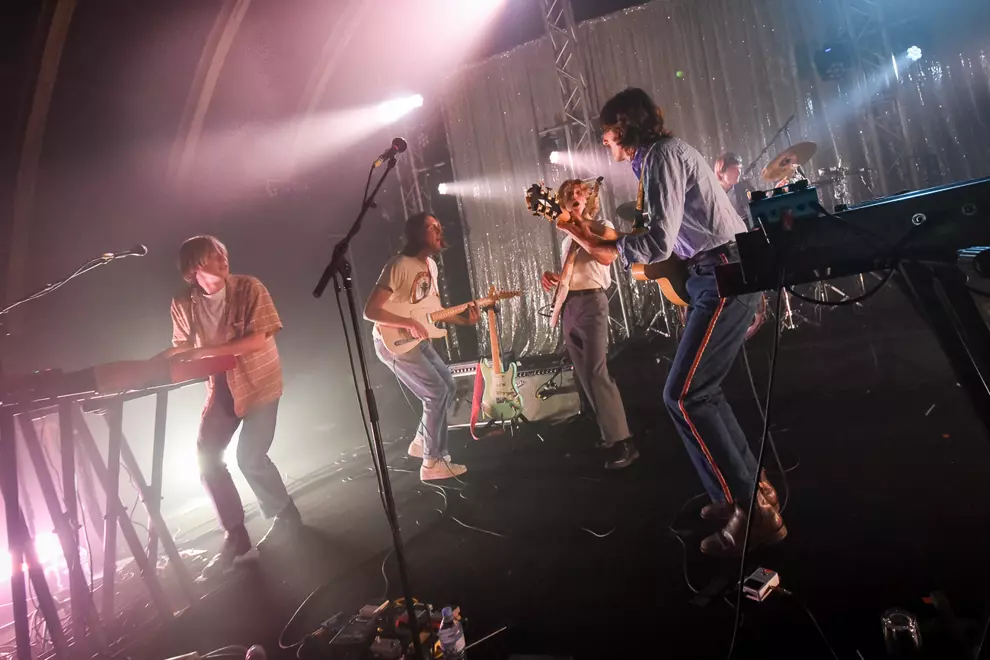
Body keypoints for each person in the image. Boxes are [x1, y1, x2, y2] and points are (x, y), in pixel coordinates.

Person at [557, 88, 785, 556]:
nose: (603, 142)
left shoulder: (661, 155)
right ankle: (743, 494)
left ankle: (754, 513)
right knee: (698, 393)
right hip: (715, 274)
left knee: (685, 393)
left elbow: (657, 243)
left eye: (606, 132)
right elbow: (667, 241)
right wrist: (589, 234)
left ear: (622, 127)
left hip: (724, 273)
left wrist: (592, 237)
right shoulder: (658, 158)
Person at [164, 235, 301, 579]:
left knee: (249, 458)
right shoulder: (183, 303)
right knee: (206, 457)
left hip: (259, 382)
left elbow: (259, 338)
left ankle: (285, 514)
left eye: (223, 253)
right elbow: (180, 345)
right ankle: (236, 537)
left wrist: (199, 353)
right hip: (223, 387)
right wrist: (153, 366)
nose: (223, 260)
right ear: (195, 267)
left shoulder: (249, 288)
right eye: (213, 257)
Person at [364, 212, 480, 481]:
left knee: (448, 386)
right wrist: (407, 322)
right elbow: (370, 310)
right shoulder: (399, 265)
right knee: (435, 392)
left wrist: (464, 321)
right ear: (417, 234)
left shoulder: (431, 266)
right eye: (432, 227)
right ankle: (432, 462)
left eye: (439, 225)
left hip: (416, 334)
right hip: (393, 340)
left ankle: (421, 442)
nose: (439, 230)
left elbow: (434, 310)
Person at [540, 179, 638, 469]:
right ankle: (609, 434)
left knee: (597, 372)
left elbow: (604, 257)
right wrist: (554, 278)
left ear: (587, 199)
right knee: (584, 376)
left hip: (593, 303)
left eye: (578, 193)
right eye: (567, 195)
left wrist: (576, 225)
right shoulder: (565, 239)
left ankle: (624, 442)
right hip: (570, 305)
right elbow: (573, 272)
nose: (573, 196)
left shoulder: (600, 224)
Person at [714, 151, 756, 229]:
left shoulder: (744, 187)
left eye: (739, 168)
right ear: (721, 172)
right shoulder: (712, 193)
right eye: (733, 169)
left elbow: (758, 204)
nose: (738, 172)